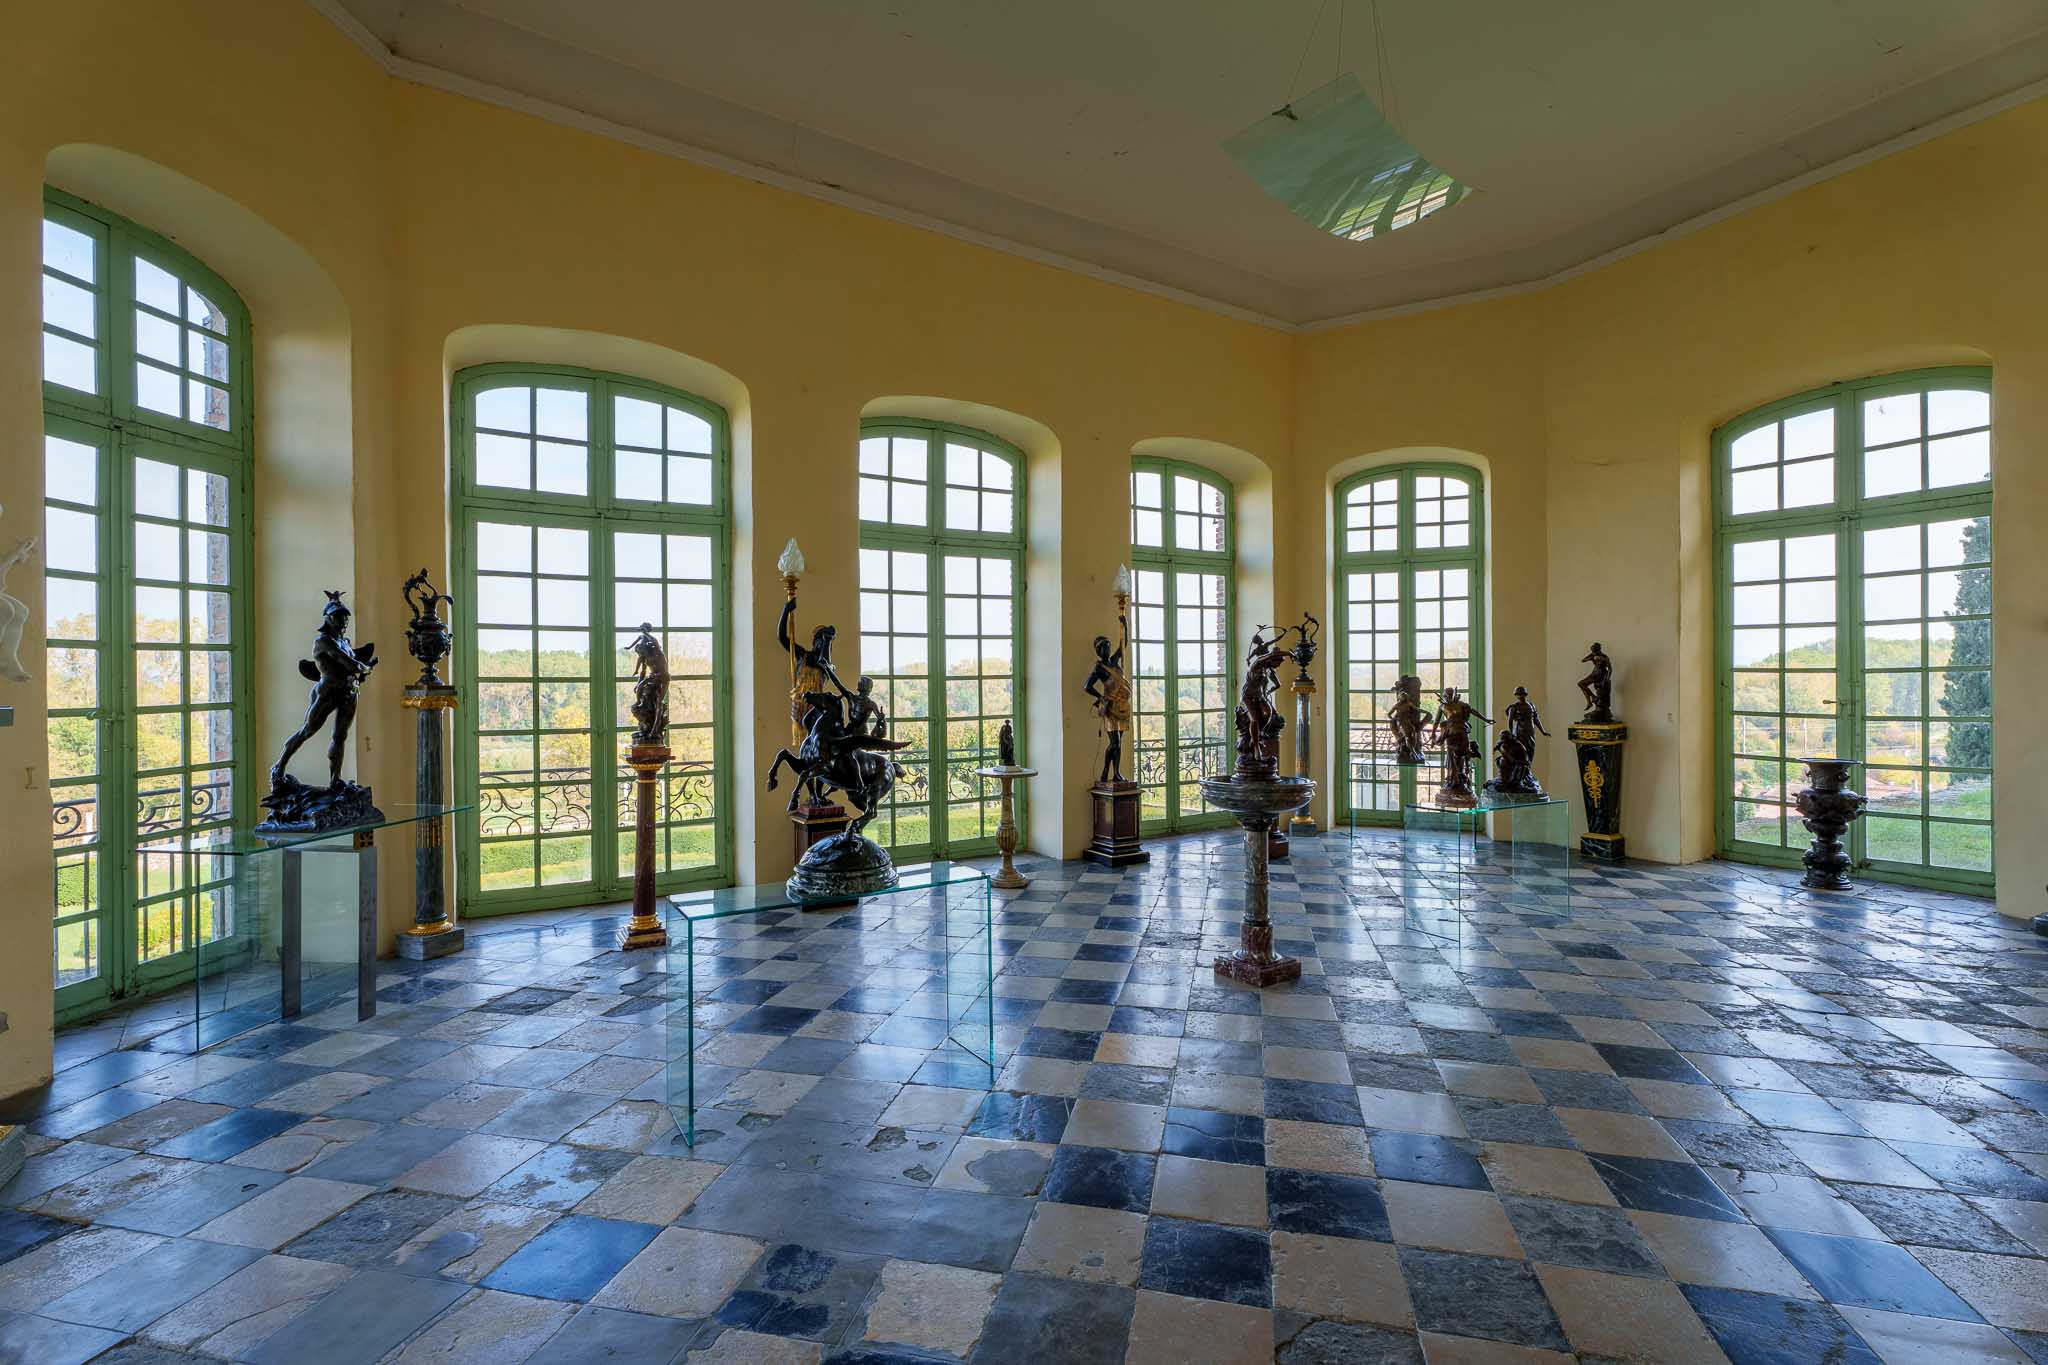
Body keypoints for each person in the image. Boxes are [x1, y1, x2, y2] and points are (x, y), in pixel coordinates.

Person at [271, 591, 378, 788]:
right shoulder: (323, 642)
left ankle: (335, 779)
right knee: (307, 730)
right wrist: (365, 668)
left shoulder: (344, 642)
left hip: (349, 692)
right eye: (338, 616)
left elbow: (353, 666)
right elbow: (349, 663)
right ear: (328, 618)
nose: (343, 621)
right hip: (328, 691)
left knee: (340, 736)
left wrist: (361, 669)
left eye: (345, 617)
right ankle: (279, 767)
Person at [1082, 621, 1132, 784]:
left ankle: (1115, 773)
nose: (1108, 650)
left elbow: (1123, 644)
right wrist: (1101, 697)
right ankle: (1105, 770)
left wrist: (1125, 625)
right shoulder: (1100, 668)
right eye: (1105, 647)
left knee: (1119, 742)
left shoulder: (1114, 661)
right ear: (1099, 651)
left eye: (1109, 647)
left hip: (1122, 707)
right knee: (1114, 742)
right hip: (1111, 708)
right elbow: (1087, 686)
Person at [1578, 642, 1614, 722]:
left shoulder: (1604, 657)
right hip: (1594, 674)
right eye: (1592, 651)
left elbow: (1610, 669)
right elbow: (1583, 660)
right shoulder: (1593, 655)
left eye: (1595, 651)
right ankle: (1590, 701)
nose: (1593, 652)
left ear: (1599, 650)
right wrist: (1591, 658)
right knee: (1581, 684)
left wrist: (1607, 679)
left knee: (1601, 693)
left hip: (1601, 675)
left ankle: (1594, 702)